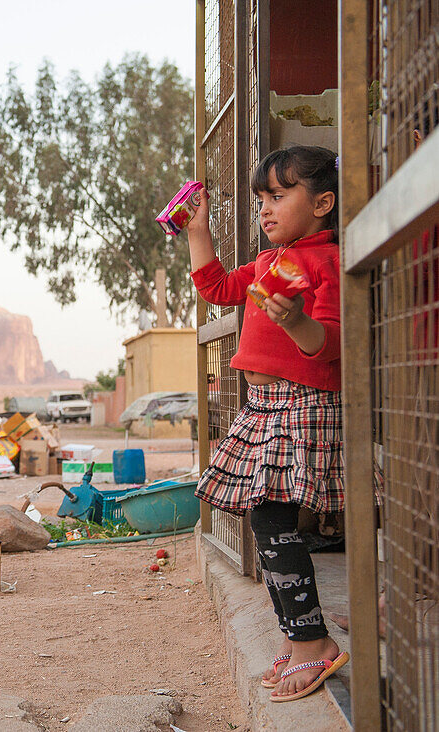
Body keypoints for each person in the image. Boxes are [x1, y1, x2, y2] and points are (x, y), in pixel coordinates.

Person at [185, 145, 349, 703]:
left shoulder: (325, 263)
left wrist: (298, 320)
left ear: (323, 202)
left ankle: (312, 642)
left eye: (279, 196)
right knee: (266, 519)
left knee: (275, 519)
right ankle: (298, 635)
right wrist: (196, 230)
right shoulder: (268, 263)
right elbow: (213, 288)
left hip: (303, 403)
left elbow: (326, 347)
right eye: (261, 200)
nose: (266, 209)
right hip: (266, 408)